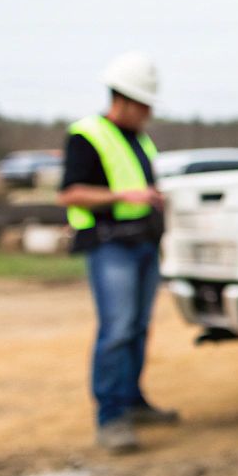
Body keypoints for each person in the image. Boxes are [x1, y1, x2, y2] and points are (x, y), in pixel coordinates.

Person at [56, 51, 179, 454]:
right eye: (143, 105)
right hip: (111, 244)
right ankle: (110, 416)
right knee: (117, 330)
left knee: (138, 328)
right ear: (122, 99)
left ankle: (132, 399)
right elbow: (70, 193)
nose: (147, 114)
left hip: (144, 242)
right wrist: (124, 196)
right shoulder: (87, 134)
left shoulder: (139, 139)